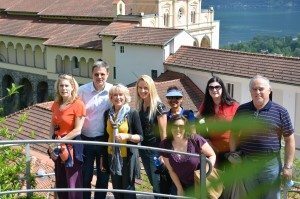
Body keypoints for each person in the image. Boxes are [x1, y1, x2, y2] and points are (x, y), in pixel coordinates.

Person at [230, 75, 295, 199]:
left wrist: (288, 166)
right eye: (254, 89)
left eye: (261, 89)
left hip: (270, 166)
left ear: (269, 90)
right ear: (250, 91)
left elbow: (289, 140)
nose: (257, 92)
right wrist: (233, 155)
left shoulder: (281, 112)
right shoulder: (242, 110)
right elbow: (233, 134)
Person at [78, 60, 113, 199]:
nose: (99, 77)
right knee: (85, 176)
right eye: (96, 74)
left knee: (103, 177)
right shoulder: (82, 91)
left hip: (104, 142)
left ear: (108, 74)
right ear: (92, 74)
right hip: (86, 140)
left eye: (102, 74)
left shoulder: (112, 91)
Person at [48, 74, 86, 199]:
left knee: (73, 182)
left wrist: (60, 142)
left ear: (73, 87)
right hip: (58, 146)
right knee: (61, 180)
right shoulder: (56, 104)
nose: (63, 88)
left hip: (71, 147)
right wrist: (51, 143)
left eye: (66, 86)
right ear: (58, 88)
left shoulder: (78, 104)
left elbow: (77, 130)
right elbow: (52, 125)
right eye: (61, 85)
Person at [160, 115, 216, 196]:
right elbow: (171, 170)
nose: (178, 129)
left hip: (200, 184)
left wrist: (205, 172)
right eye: (174, 126)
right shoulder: (165, 144)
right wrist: (180, 189)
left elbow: (212, 155)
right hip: (180, 183)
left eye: (181, 126)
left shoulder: (195, 139)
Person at [103, 84, 143, 199]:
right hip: (112, 156)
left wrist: (127, 136)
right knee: (116, 189)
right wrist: (103, 156)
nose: (118, 97)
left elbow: (140, 137)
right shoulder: (107, 114)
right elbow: (106, 136)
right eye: (115, 95)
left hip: (127, 157)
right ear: (111, 97)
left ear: (125, 97)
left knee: (128, 189)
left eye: (121, 95)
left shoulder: (132, 113)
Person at [135, 75, 168, 198]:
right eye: (140, 87)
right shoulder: (141, 106)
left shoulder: (158, 107)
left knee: (159, 184)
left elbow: (164, 134)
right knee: (153, 183)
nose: (142, 91)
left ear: (151, 89)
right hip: (144, 150)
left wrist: (163, 155)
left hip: (156, 151)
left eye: (146, 88)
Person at [197, 76, 239, 170]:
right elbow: (197, 121)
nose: (214, 89)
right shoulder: (206, 106)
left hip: (231, 149)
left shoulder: (233, 105)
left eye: (217, 87)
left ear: (222, 88)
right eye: (211, 87)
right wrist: (206, 139)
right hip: (214, 151)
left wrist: (235, 151)